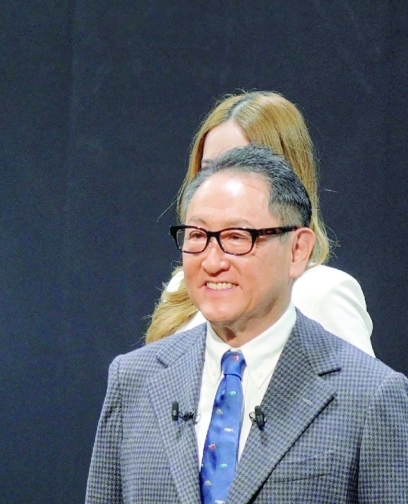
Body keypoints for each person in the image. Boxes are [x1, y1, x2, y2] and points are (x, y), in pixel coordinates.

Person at [80, 145, 408, 504]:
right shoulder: (135, 381)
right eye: (197, 237)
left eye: (237, 238)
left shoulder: (371, 399)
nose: (212, 260)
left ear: (298, 250)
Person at [146, 91, 374, 356]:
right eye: (207, 169)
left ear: (287, 179)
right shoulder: (182, 288)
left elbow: (360, 389)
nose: (221, 181)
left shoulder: (321, 293)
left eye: (243, 166)